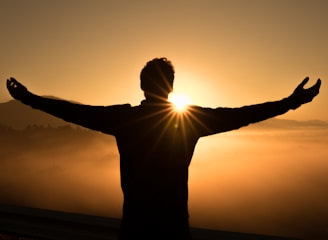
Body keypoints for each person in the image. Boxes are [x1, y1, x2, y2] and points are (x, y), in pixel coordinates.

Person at [6, 58, 321, 240]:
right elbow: (242, 114)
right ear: (171, 87)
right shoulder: (191, 121)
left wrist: (28, 99)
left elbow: (76, 112)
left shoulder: (125, 119)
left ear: (143, 86)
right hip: (174, 232)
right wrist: (291, 102)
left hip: (135, 231)